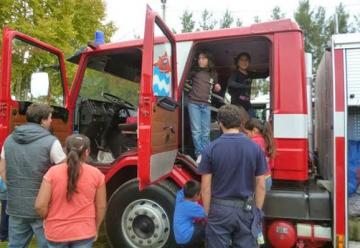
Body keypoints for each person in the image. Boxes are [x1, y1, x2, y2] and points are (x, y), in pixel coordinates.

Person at [198, 104, 268, 248]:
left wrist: (207, 213)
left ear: (220, 124)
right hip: (246, 208)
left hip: (219, 209)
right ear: (240, 123)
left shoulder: (210, 149)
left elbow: (205, 188)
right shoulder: (255, 148)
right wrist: (258, 211)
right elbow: (261, 184)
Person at [0, 103, 66, 248]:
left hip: (16, 206)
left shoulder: (9, 140)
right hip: (42, 208)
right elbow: (63, 173)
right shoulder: (51, 142)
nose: (51, 121)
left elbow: (3, 172)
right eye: (49, 118)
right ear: (42, 120)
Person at [35, 134, 107, 248]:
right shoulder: (97, 174)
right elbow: (101, 206)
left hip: (57, 232)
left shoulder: (52, 172)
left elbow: (40, 206)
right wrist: (96, 228)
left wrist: (49, 219)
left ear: (65, 151)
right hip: (84, 232)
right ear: (87, 152)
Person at [186, 50, 221, 161]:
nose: (201, 60)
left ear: (209, 60)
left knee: (206, 131)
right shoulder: (194, 72)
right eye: (199, 58)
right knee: (196, 130)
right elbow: (185, 80)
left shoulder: (213, 73)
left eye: (204, 58)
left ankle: (206, 153)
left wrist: (217, 86)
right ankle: (199, 154)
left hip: (206, 105)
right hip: (194, 103)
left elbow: (216, 86)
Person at [245, 118, 276, 191]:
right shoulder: (268, 140)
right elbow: (272, 164)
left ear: (255, 130)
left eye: (247, 133)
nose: (246, 135)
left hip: (256, 180)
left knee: (251, 202)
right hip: (267, 178)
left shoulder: (252, 142)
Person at [173, 180, 206, 247]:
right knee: (206, 226)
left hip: (179, 238)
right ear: (196, 195)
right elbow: (208, 213)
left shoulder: (180, 199)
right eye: (200, 194)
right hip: (187, 238)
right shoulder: (191, 207)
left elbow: (182, 191)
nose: (201, 196)